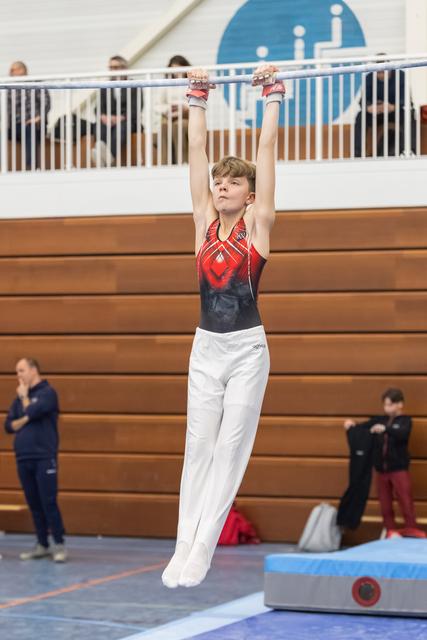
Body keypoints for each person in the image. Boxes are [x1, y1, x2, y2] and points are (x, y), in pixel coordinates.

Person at [161, 64, 285, 588]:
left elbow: (267, 154)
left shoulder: (259, 227)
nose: (221, 186)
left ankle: (204, 548)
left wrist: (272, 98)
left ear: (251, 195)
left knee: (231, 447)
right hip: (206, 348)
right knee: (199, 446)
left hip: (247, 351)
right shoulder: (201, 224)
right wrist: (197, 97)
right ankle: (183, 543)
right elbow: (196, 153)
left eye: (233, 182)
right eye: (219, 181)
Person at [4, 358, 67, 562]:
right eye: (16, 372)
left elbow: (32, 411)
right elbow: (8, 425)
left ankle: (59, 544)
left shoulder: (48, 393)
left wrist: (25, 407)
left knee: (48, 501)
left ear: (33, 370)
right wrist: (26, 416)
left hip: (44, 457)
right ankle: (42, 544)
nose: (18, 375)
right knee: (34, 503)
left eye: (21, 370)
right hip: (24, 457)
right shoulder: (20, 398)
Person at [343, 388, 425, 539]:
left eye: (390, 405)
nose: (387, 408)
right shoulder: (379, 419)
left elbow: (402, 433)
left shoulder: (405, 421)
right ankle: (390, 529)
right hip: (381, 471)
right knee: (385, 503)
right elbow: (363, 427)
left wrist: (386, 429)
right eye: (385, 405)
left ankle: (411, 527)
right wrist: (352, 425)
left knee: (405, 501)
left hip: (399, 469)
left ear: (400, 404)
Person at [354, 57, 415, 157]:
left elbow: (407, 99)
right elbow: (363, 100)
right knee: (361, 117)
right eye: (378, 72)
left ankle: (411, 150)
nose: (380, 75)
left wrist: (394, 106)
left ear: (390, 69)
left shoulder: (400, 75)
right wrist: (369, 107)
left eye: (382, 72)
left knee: (409, 116)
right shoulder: (370, 77)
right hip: (376, 113)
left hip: (394, 111)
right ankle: (358, 153)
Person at [92, 55, 143, 166]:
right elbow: (97, 108)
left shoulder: (134, 85)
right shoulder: (105, 86)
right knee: (99, 126)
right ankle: (105, 156)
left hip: (128, 120)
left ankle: (109, 158)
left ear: (124, 68)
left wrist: (120, 118)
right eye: (110, 68)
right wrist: (103, 116)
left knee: (121, 128)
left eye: (115, 67)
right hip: (108, 120)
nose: (112, 70)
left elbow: (136, 108)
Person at [7, 61, 51, 170]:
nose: (11, 73)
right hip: (15, 126)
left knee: (29, 129)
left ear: (23, 70)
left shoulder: (35, 83)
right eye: (11, 70)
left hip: (35, 125)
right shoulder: (9, 87)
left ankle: (31, 167)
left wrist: (38, 118)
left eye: (14, 69)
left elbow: (46, 103)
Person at [155, 55, 191, 164]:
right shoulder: (166, 84)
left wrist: (184, 107)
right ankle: (164, 163)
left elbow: (197, 102)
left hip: (187, 118)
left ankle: (183, 161)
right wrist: (168, 109)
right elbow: (158, 105)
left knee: (178, 126)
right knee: (163, 128)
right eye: (174, 69)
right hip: (169, 118)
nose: (177, 73)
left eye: (179, 68)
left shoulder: (191, 83)